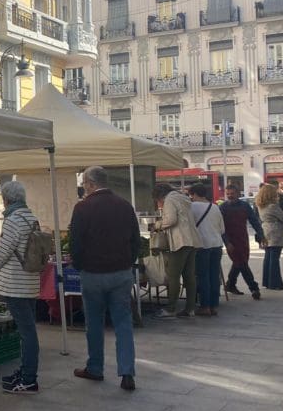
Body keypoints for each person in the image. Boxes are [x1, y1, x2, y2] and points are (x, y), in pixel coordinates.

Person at [69, 166, 141, 391]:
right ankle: (127, 372)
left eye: (84, 184)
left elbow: (75, 243)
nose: (84, 188)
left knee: (94, 322)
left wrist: (79, 265)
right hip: (121, 272)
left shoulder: (82, 208)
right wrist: (128, 262)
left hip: (92, 273)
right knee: (123, 322)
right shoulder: (124, 205)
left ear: (90, 184)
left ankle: (95, 367)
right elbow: (136, 239)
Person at [0, 182, 42, 394]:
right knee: (27, 331)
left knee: (27, 333)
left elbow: (2, 251)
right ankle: (25, 371)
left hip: (15, 285)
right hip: (29, 282)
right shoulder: (31, 218)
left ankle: (29, 379)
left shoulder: (13, 221)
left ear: (6, 199)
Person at [151, 183, 201, 318]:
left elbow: (171, 220)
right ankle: (190, 308)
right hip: (192, 240)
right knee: (189, 276)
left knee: (173, 276)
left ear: (159, 196)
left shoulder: (169, 200)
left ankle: (171, 308)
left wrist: (157, 224)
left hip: (179, 241)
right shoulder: (183, 198)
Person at [220, 183, 264, 299]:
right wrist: (227, 242)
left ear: (238, 194)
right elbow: (221, 227)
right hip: (231, 240)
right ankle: (254, 288)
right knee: (242, 263)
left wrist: (261, 234)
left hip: (243, 239)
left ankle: (230, 284)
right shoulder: (223, 207)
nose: (230, 196)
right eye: (228, 194)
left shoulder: (245, 206)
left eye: (232, 194)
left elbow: (254, 221)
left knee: (239, 262)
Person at [188, 183, 225, 317]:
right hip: (217, 244)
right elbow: (222, 229)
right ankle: (214, 305)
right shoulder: (215, 207)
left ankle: (205, 306)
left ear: (194, 194)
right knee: (214, 275)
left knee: (202, 276)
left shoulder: (192, 207)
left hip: (202, 245)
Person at [256, 183, 283, 291]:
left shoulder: (260, 205)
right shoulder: (273, 206)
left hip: (265, 230)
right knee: (274, 258)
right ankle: (275, 283)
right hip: (275, 231)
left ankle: (267, 282)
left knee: (268, 257)